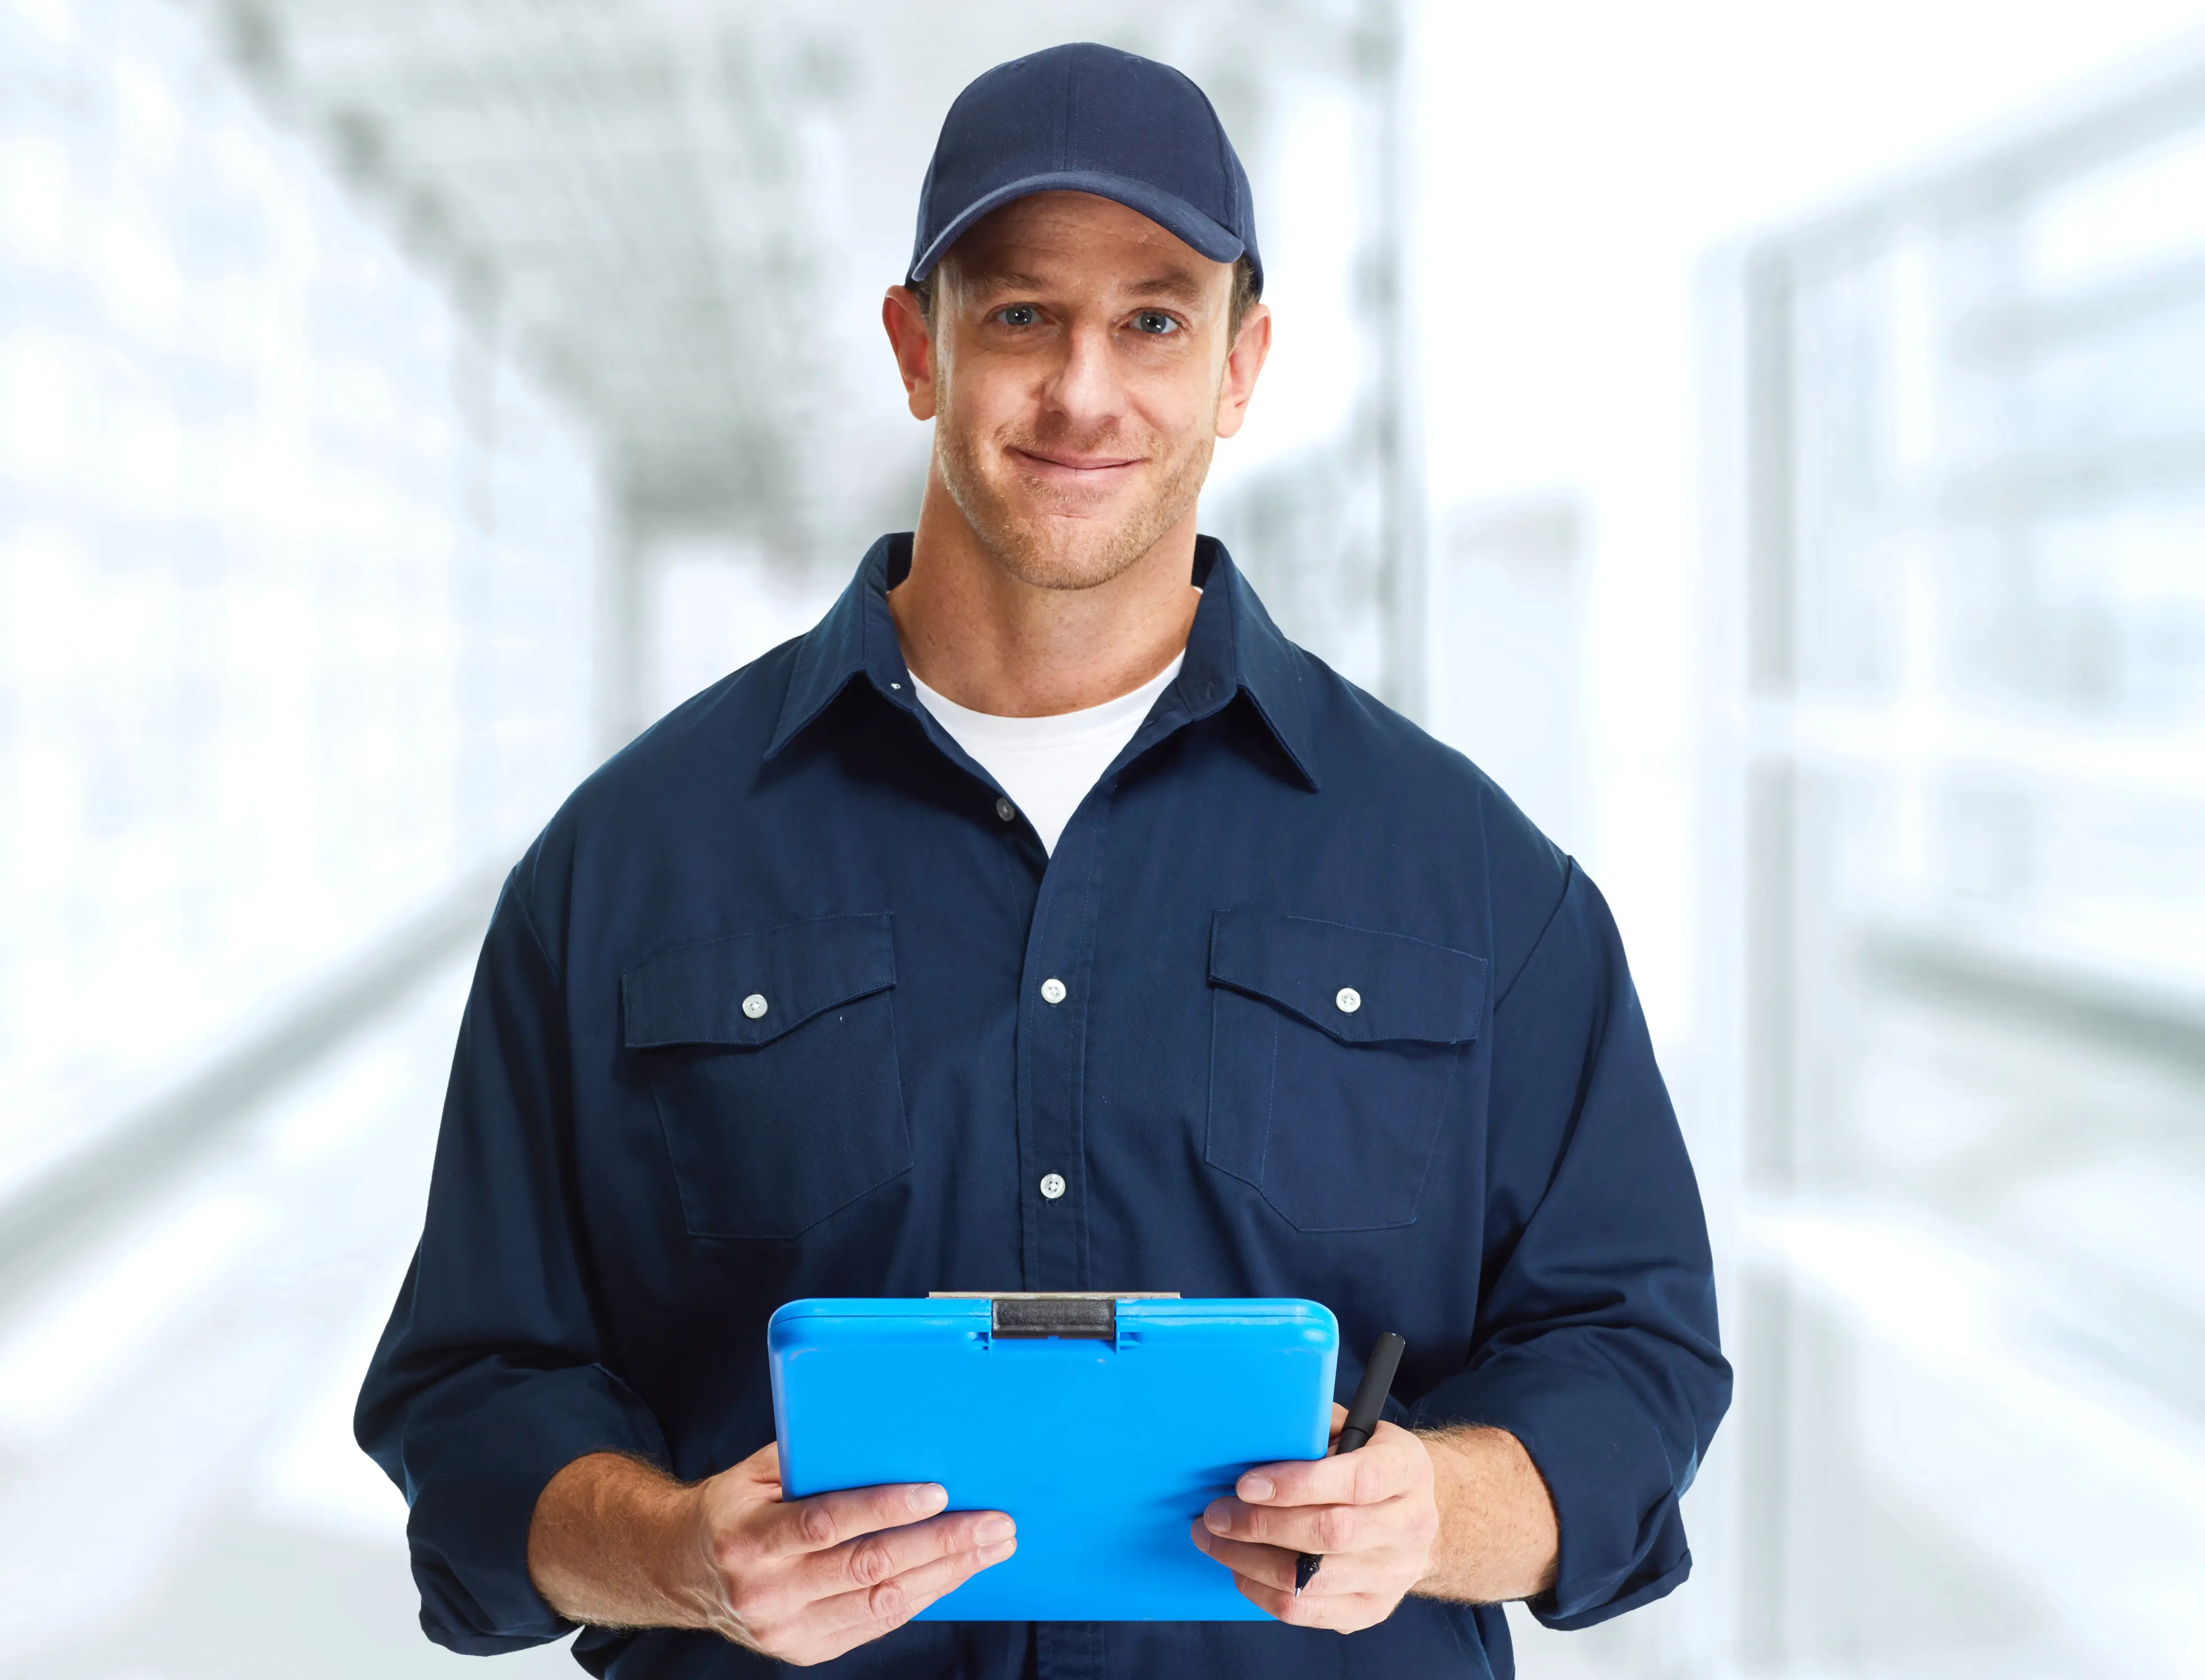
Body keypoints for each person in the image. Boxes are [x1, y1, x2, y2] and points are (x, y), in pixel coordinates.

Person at [355, 40, 1729, 1679]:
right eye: (1021, 314)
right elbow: (471, 1404)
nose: (1086, 390)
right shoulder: (630, 865)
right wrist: (675, 1556)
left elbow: (1632, 1368)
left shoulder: (1472, 879)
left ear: (1241, 364)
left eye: (1153, 318)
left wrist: (1434, 1507)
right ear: (915, 345)